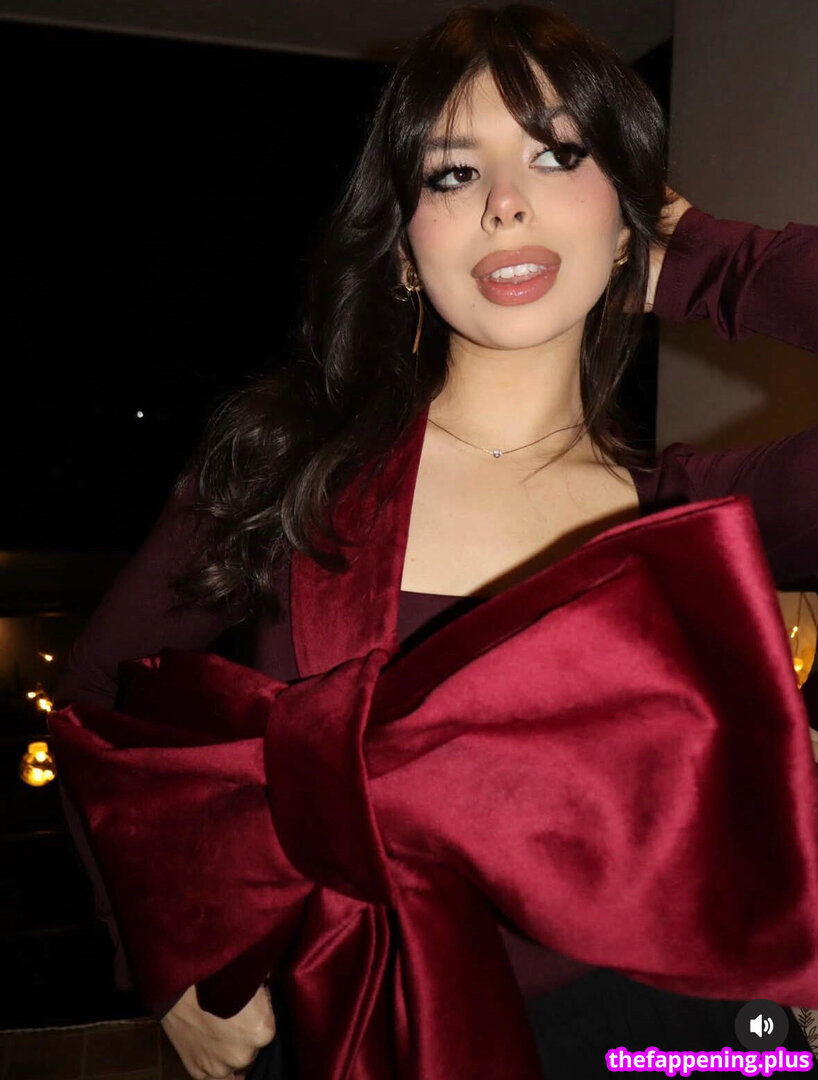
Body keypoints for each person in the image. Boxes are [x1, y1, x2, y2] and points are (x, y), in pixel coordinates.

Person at [51, 3, 818, 1078]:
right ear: (406, 249)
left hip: (651, 1039)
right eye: (453, 174)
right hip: (349, 1029)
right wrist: (163, 954)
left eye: (557, 156)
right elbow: (97, 700)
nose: (505, 201)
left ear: (627, 221)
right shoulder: (287, 473)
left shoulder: (689, 523)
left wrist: (704, 262)